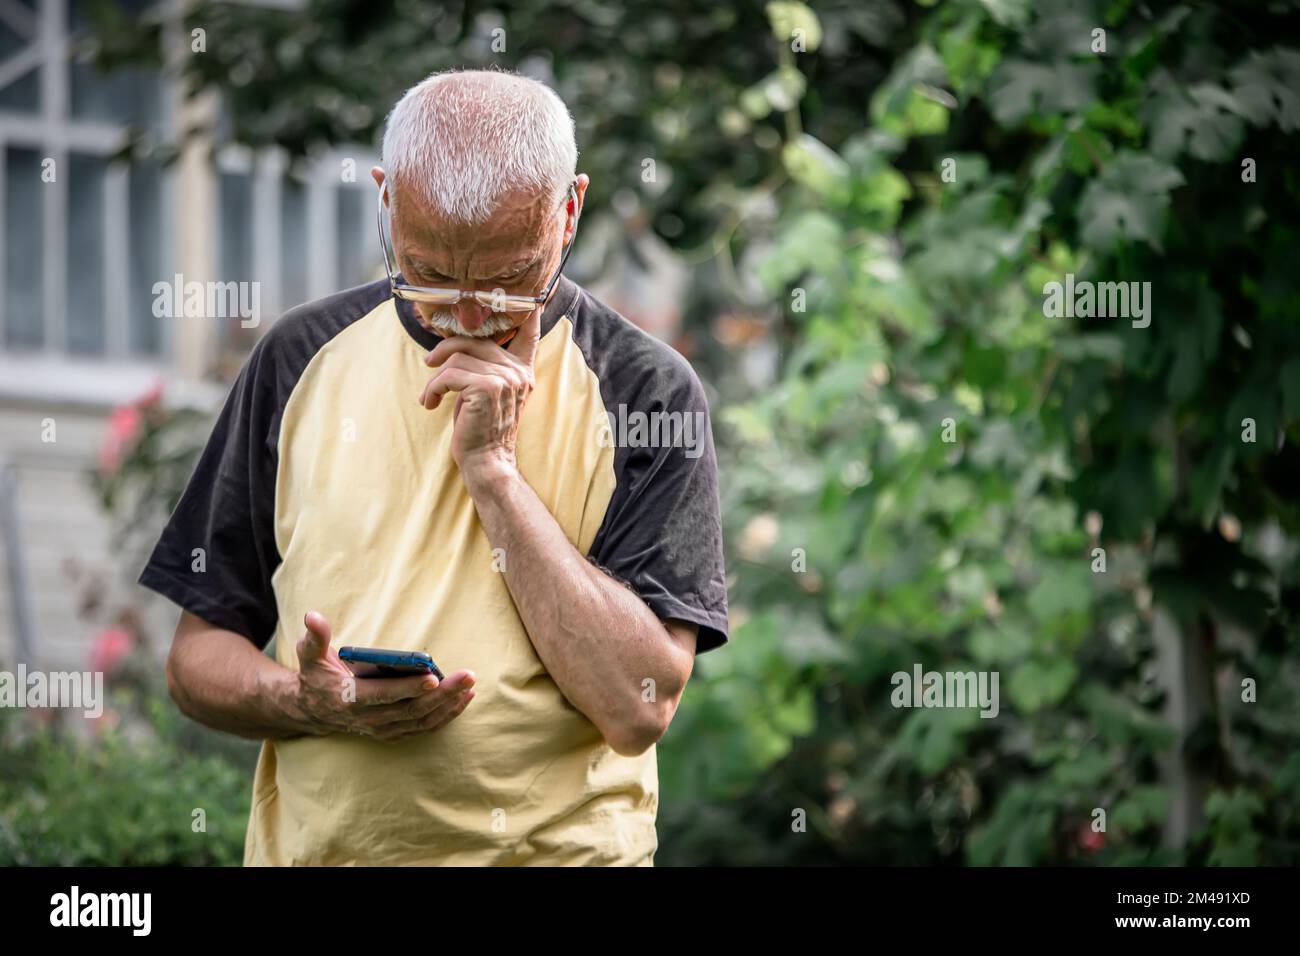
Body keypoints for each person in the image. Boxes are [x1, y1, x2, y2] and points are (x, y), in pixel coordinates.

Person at [138, 69, 728, 865]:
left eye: (511, 277)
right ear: (386, 200)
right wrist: (310, 704)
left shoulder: (644, 390)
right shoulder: (297, 360)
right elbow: (195, 660)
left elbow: (640, 705)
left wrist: (495, 476)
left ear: (570, 210)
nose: (472, 313)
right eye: (433, 274)